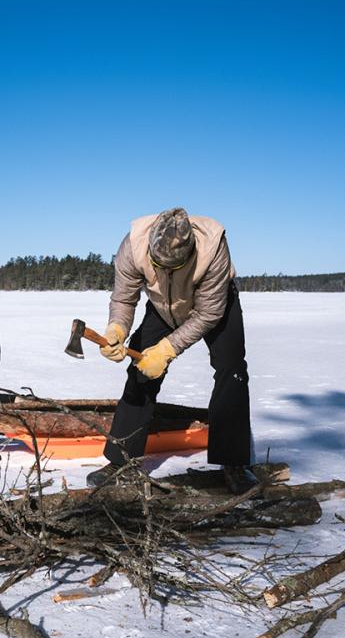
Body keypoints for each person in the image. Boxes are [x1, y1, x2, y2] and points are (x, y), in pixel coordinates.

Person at [87, 207, 259, 494]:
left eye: (173, 267)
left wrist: (167, 349)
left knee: (232, 371)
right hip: (162, 306)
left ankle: (235, 463)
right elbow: (124, 297)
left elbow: (208, 314)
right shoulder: (133, 245)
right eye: (159, 265)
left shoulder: (213, 248)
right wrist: (116, 329)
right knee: (140, 372)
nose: (165, 270)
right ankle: (123, 462)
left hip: (216, 307)